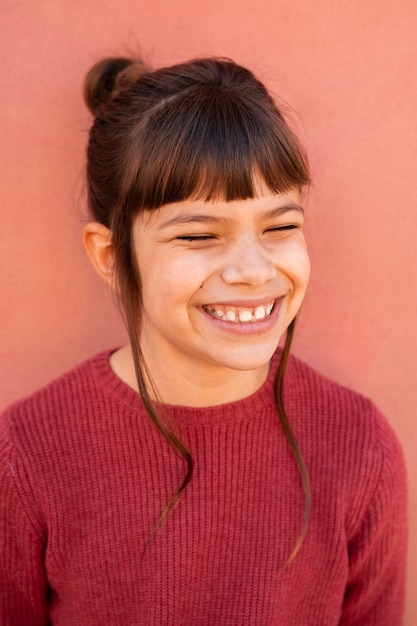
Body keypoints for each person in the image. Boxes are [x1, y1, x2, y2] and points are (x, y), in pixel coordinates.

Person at [0, 55, 407, 625]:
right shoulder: (26, 455)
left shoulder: (360, 449)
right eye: (197, 234)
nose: (251, 270)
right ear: (112, 257)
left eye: (280, 227)